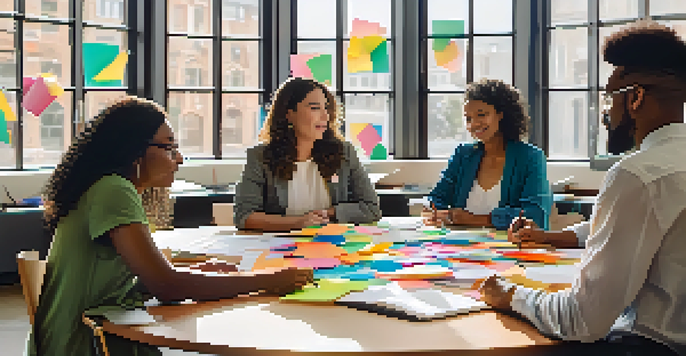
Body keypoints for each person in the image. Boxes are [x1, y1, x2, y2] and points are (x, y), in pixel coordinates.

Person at [28, 97, 313, 356]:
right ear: (134, 150)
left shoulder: (106, 187)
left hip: (89, 331)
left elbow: (134, 281)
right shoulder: (114, 190)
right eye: (170, 147)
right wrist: (270, 280)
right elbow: (166, 286)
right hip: (88, 342)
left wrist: (195, 273)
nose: (179, 158)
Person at [480, 20, 686, 355]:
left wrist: (511, 295)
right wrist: (555, 237)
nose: (607, 113)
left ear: (636, 98)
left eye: (610, 99)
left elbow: (582, 320)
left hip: (647, 345)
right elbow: (652, 222)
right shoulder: (667, 167)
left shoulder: (637, 174)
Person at [234, 77, 381, 231]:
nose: (325, 117)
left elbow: (371, 208)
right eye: (315, 108)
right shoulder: (260, 157)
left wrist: (329, 213)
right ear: (289, 114)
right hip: (278, 248)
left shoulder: (344, 152)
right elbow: (244, 216)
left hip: (333, 247)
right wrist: (298, 223)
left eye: (327, 109)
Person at [423, 79, 552, 231]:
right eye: (468, 118)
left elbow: (535, 215)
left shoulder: (530, 157)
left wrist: (477, 220)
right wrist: (433, 211)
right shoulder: (463, 155)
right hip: (461, 247)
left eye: (481, 115)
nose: (474, 124)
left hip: (511, 248)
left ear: (501, 114)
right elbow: (436, 197)